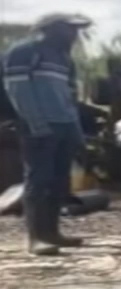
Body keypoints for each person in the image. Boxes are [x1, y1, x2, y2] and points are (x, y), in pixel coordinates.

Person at [2, 13, 93, 255]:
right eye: (69, 29)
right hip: (37, 127)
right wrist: (36, 123)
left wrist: (77, 133)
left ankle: (53, 232)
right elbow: (17, 89)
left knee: (58, 182)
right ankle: (36, 237)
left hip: (63, 125)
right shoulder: (24, 51)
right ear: (50, 29)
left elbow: (69, 98)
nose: (75, 35)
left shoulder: (64, 59)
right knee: (38, 180)